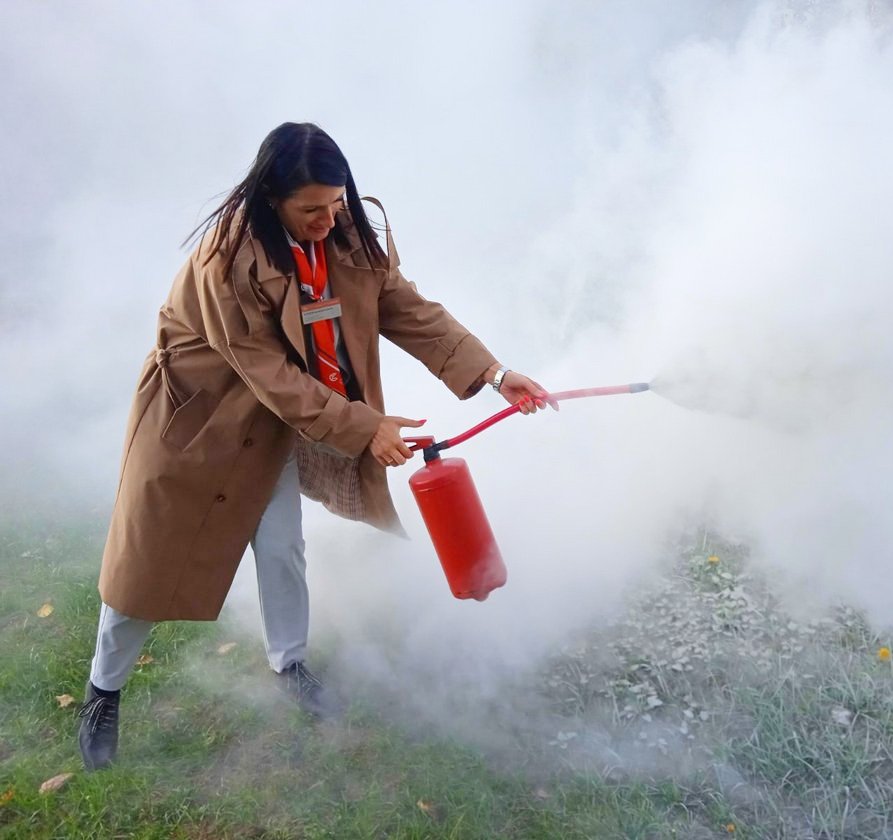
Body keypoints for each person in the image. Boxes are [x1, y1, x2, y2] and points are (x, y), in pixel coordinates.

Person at [77, 122, 550, 771]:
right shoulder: (223, 263)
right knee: (146, 565)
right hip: (197, 424)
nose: (329, 220)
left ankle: (289, 663)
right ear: (271, 200)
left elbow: (405, 307)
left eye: (335, 203)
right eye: (311, 211)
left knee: (281, 546)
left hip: (275, 424)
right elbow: (271, 376)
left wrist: (495, 374)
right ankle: (104, 690)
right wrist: (365, 427)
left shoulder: (347, 232)